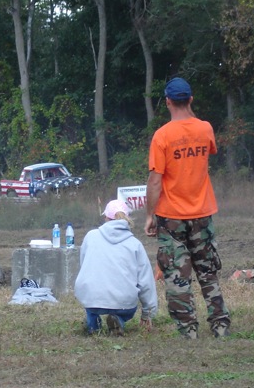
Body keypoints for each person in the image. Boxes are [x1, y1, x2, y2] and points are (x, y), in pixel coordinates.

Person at [145, 77, 231, 339]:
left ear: (168, 101)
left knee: (177, 275)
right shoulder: (205, 129)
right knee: (208, 271)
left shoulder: (162, 136)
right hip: (203, 214)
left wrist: (150, 215)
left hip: (171, 217)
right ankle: (220, 326)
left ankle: (188, 331)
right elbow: (210, 150)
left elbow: (156, 180)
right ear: (191, 99)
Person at [74, 199, 158, 336]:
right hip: (123, 302)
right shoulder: (135, 244)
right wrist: (148, 314)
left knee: (92, 304)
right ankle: (118, 319)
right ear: (127, 218)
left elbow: (85, 266)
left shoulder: (90, 237)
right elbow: (146, 282)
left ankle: (92, 325)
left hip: (92, 299)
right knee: (124, 307)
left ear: (106, 217)